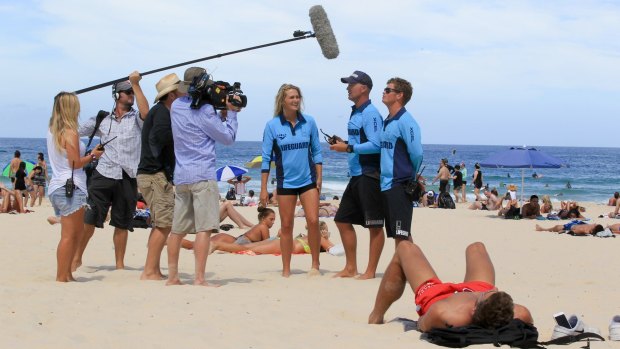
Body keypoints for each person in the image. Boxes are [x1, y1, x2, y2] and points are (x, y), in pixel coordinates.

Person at [166, 67, 243, 286]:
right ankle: (199, 278)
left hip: (181, 176)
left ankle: (172, 277)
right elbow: (227, 138)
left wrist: (218, 110)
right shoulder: (206, 111)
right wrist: (232, 114)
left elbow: (197, 120)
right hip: (202, 175)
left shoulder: (176, 107)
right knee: (204, 229)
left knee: (177, 230)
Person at [74, 71, 149, 271]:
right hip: (103, 173)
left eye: (132, 92)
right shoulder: (102, 119)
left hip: (128, 176)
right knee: (90, 219)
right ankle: (76, 257)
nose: (131, 95)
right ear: (117, 95)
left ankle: (120, 265)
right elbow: (74, 131)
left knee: (122, 222)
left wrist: (136, 85)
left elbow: (146, 113)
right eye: (127, 92)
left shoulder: (136, 119)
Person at [368, 241, 533, 330]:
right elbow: (524, 319)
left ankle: (376, 315)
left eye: (490, 293)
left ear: (474, 310)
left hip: (436, 296)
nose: (495, 289)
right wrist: (485, 293)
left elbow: (421, 324)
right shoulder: (519, 312)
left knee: (404, 247)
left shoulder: (444, 314)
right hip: (477, 289)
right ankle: (482, 292)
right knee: (476, 247)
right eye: (495, 291)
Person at [259, 83, 323, 277]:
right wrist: (263, 188)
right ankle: (286, 269)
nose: (295, 100)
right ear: (282, 101)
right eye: (291, 97)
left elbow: (317, 152)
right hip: (285, 183)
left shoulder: (309, 122)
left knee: (313, 220)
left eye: (297, 97)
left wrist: (319, 178)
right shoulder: (272, 126)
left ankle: (315, 265)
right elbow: (266, 157)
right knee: (286, 226)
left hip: (308, 180)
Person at [329, 70, 385, 280]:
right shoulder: (357, 112)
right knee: (342, 219)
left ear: (364, 88)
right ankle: (351, 267)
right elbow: (361, 141)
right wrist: (343, 142)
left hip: (369, 174)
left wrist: (349, 148)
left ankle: (370, 271)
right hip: (356, 174)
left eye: (351, 84)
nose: (347, 88)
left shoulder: (371, 113)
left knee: (375, 225)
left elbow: (376, 145)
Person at [47, 92, 104, 282]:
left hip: (59, 186)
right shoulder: (69, 132)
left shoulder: (53, 130)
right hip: (69, 187)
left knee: (75, 233)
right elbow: (75, 164)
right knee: (70, 235)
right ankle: (62, 276)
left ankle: (67, 274)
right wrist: (93, 155)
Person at [136, 73, 182, 280]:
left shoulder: (160, 112)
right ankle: (149, 271)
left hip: (152, 174)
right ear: (172, 95)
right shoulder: (163, 113)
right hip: (154, 175)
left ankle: (153, 268)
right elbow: (160, 139)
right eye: (180, 91)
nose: (183, 94)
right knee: (164, 224)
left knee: (161, 223)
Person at [379, 77, 423, 245]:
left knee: (401, 235)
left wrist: (411, 176)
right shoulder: (388, 120)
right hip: (387, 184)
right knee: (401, 235)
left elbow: (417, 153)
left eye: (388, 90)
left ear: (399, 95)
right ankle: (410, 269)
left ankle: (410, 270)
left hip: (400, 184)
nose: (384, 92)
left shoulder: (407, 121)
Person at [210, 221, 334, 255]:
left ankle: (212, 245)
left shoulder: (310, 237)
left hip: (281, 243)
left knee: (245, 247)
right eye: (326, 230)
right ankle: (217, 245)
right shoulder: (320, 238)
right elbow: (334, 250)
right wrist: (326, 237)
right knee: (245, 248)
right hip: (283, 246)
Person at [536, 222, 604, 235]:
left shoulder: (585, 231)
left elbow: (574, 231)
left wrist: (564, 231)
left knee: (557, 227)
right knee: (557, 226)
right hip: (579, 223)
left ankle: (542, 229)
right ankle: (542, 229)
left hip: (572, 226)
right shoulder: (594, 226)